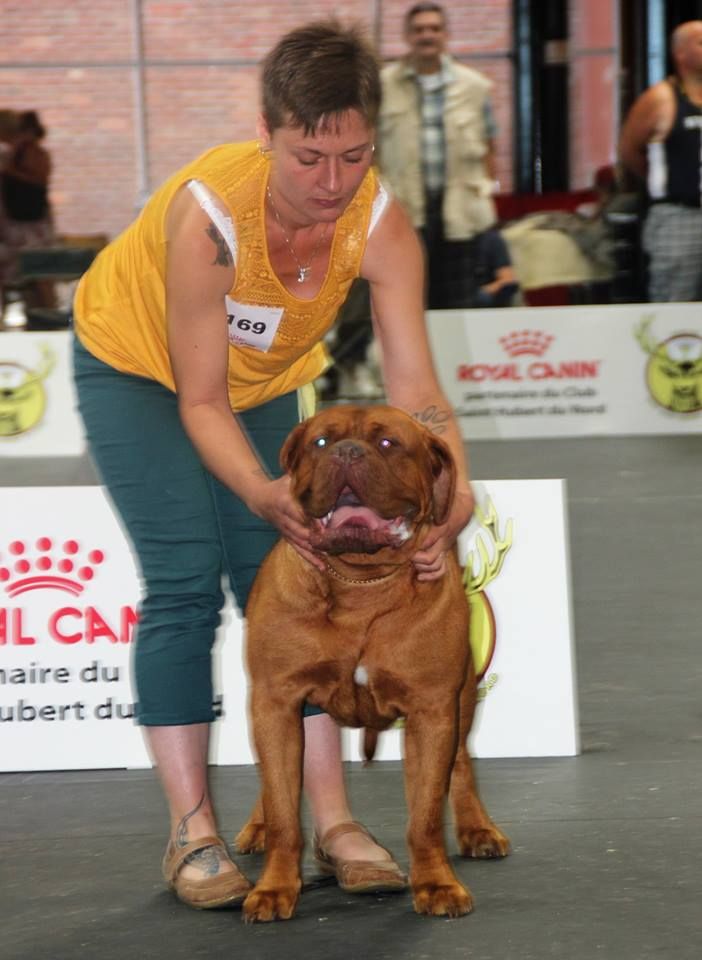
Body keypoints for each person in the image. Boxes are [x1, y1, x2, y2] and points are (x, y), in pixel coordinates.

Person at [72, 20, 475, 910]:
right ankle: (195, 832)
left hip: (260, 381)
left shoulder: (379, 221)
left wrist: (458, 488)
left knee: (287, 576)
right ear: (267, 132)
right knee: (185, 576)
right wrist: (260, 490)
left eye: (354, 157)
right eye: (308, 159)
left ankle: (331, 821)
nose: (333, 184)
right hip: (136, 368)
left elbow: (416, 386)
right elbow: (198, 401)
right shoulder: (209, 219)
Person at [377, 2, 498, 309]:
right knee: (404, 300)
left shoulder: (474, 86)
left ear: (446, 35)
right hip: (402, 211)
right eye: (419, 30)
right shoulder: (383, 85)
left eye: (434, 29)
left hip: (459, 213)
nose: (426, 36)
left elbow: (489, 146)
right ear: (407, 36)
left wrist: (486, 190)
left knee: (458, 303)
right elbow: (368, 147)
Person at [619, 20, 702, 302]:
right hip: (679, 215)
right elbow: (629, 151)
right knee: (674, 302)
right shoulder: (660, 98)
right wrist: (663, 182)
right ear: (680, 54)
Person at [0, 109, 56, 309]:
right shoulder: (16, 152)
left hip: (26, 223)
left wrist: (10, 172)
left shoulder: (27, 153)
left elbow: (39, 179)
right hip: (18, 224)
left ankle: (45, 316)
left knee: (39, 273)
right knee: (36, 275)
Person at [468, 227, 519, 308]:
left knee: (481, 297)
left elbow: (508, 279)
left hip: (483, 295)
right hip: (456, 295)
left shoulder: (491, 240)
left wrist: (485, 290)